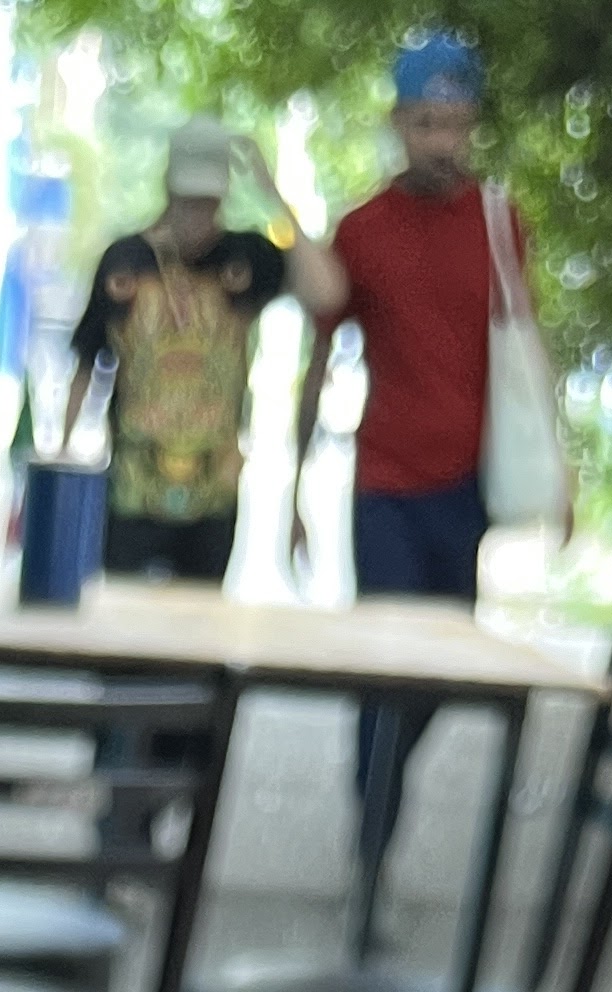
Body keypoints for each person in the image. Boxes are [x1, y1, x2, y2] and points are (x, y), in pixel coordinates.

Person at [62, 118, 344, 584]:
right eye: (188, 200)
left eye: (209, 202)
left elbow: (327, 292)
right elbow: (87, 362)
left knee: (198, 636)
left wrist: (272, 195)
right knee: (122, 635)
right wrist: (62, 453)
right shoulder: (126, 260)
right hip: (133, 492)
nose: (198, 214)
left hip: (214, 498)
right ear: (168, 189)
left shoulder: (247, 258)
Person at [289, 38, 517, 607]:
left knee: (443, 672)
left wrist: (554, 472)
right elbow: (317, 360)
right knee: (387, 669)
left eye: (458, 127)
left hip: (470, 483)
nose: (444, 144)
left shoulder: (499, 224)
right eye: (427, 125)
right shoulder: (362, 230)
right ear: (397, 123)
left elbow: (525, 354)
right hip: (385, 482)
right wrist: (295, 489)